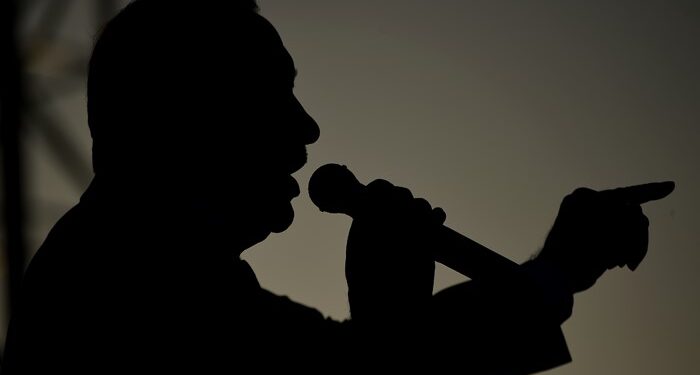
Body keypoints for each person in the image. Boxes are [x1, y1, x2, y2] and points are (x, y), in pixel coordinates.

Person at [2, 1, 673, 373]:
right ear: (188, 116)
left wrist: (559, 268)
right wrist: (390, 314)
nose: (307, 128)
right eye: (274, 96)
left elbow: (349, 362)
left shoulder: (166, 270)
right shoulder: (129, 287)